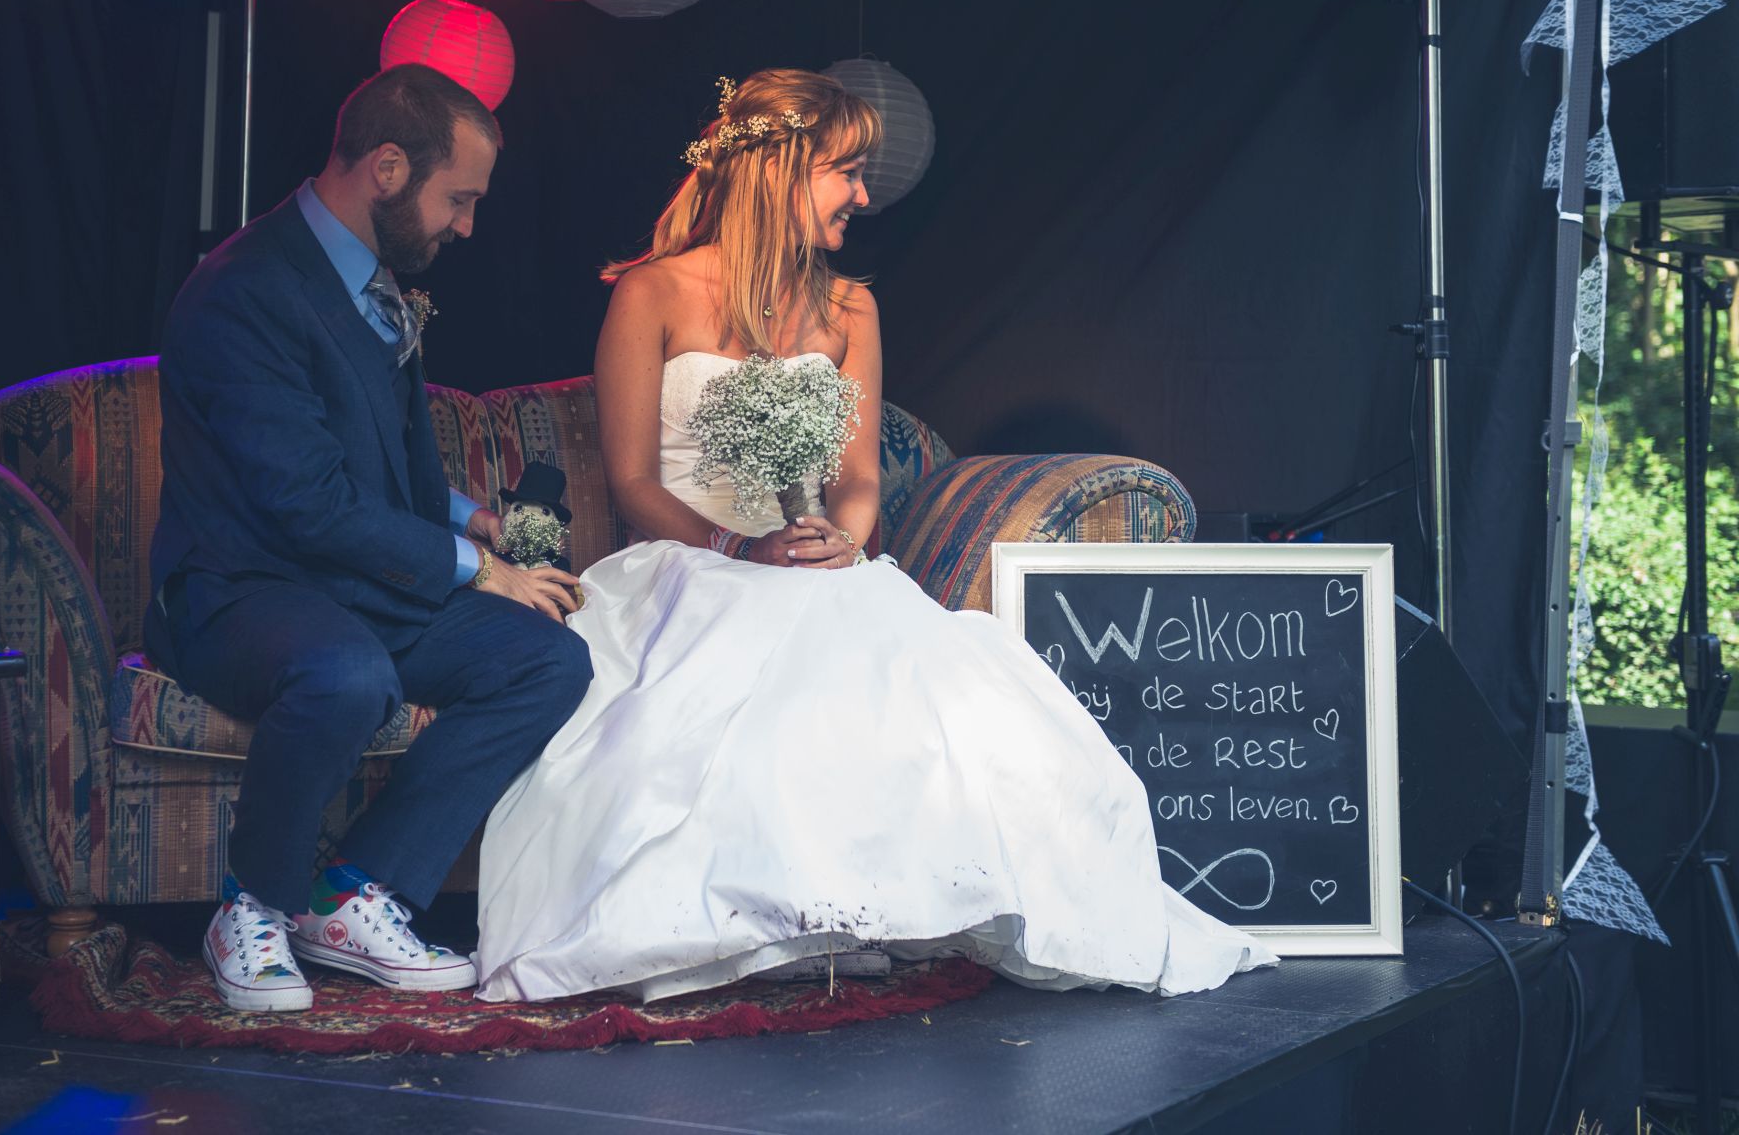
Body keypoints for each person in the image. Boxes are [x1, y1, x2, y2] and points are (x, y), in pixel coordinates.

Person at [471, 69, 1276, 1002]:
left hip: (818, 562)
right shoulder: (652, 291)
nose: (862, 196)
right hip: (693, 563)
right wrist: (737, 550)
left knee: (941, 693)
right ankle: (765, 920)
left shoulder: (850, 307)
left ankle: (874, 910)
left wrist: (839, 542)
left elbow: (856, 477)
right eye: (846, 172)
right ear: (780, 169)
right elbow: (634, 481)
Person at [146, 63, 591, 1012]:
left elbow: (377, 461)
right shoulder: (244, 290)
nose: (466, 225)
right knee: (349, 674)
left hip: (355, 586)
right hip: (243, 590)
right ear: (388, 167)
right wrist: (480, 569)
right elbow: (307, 502)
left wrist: (468, 517)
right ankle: (251, 906)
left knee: (548, 658)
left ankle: (351, 893)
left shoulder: (372, 276)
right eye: (458, 198)